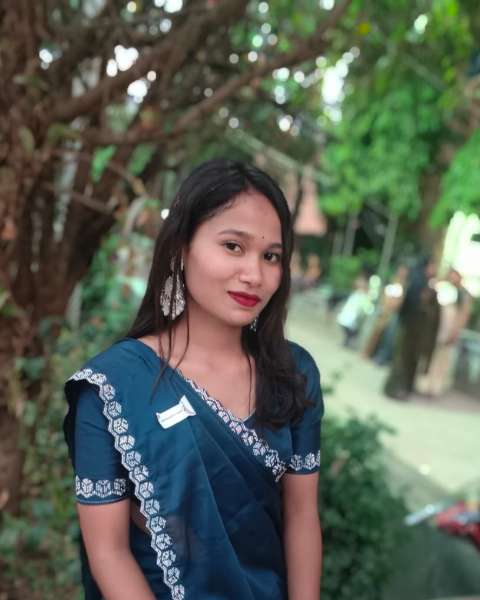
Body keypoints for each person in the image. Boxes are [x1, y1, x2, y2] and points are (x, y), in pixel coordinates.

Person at [63, 159, 324, 600]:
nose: (254, 275)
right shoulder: (113, 386)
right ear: (181, 248)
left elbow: (301, 516)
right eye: (233, 246)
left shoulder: (293, 373)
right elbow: (108, 552)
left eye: (271, 256)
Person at [384, 257, 440, 400]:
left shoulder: (422, 281)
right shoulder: (418, 280)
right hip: (409, 327)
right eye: (434, 266)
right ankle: (395, 388)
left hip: (412, 327)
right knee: (403, 359)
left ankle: (403, 388)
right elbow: (414, 304)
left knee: (408, 359)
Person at [417, 268, 472, 397]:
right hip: (439, 329)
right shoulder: (444, 288)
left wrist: (455, 331)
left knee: (444, 358)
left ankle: (436, 386)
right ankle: (427, 384)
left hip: (450, 329)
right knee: (433, 356)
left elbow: (464, 313)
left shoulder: (463, 294)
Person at [336, 273, 371, 348]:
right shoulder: (357, 292)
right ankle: (348, 339)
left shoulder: (364, 293)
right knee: (344, 323)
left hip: (356, 313)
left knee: (351, 326)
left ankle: (350, 340)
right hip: (349, 311)